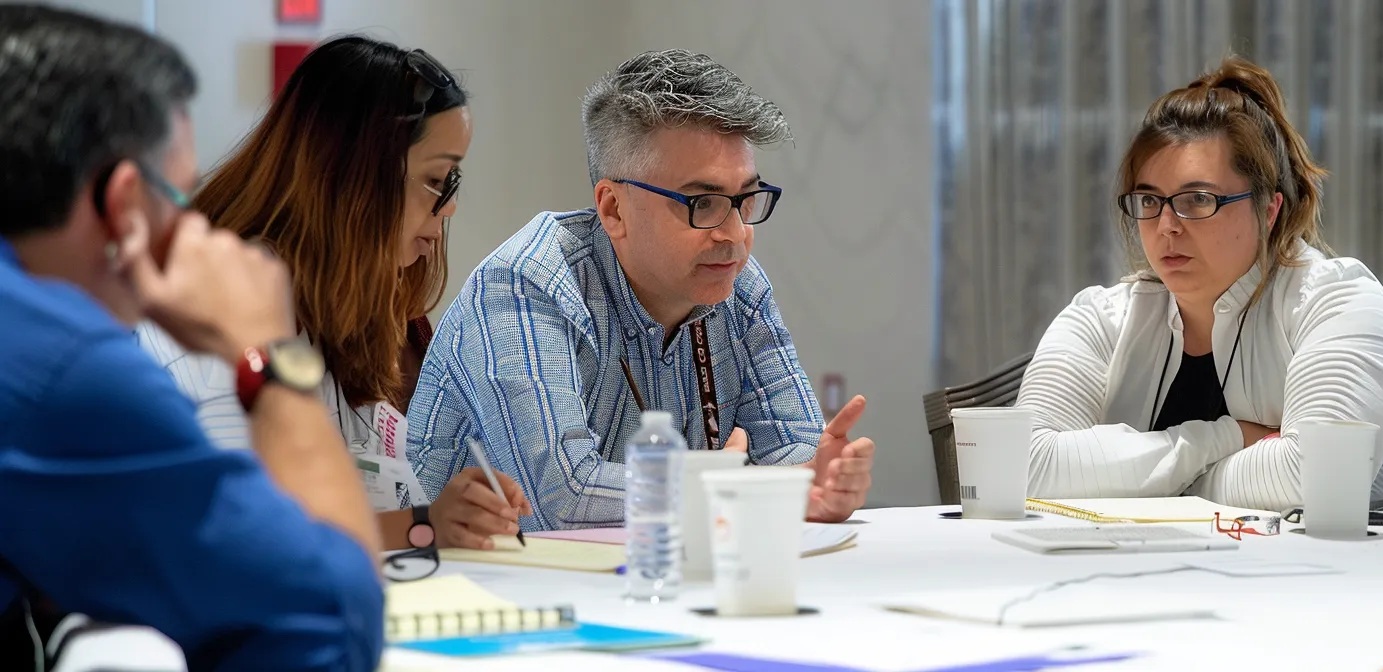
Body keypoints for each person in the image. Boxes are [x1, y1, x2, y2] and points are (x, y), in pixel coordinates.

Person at [0, 5, 382, 669]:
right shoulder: (63, 363)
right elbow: (331, 624)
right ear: (123, 204)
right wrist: (267, 351)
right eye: (181, 200)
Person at [408, 49, 875, 529]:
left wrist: (819, 481)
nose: (734, 234)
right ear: (613, 209)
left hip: (652, 583)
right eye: (703, 202)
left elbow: (796, 454)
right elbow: (562, 497)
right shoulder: (524, 284)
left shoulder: (739, 286)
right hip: (472, 589)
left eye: (745, 199)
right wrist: (731, 489)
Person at [136, 35, 527, 551]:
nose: (448, 208)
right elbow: (249, 538)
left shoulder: (334, 312)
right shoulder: (225, 314)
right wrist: (424, 524)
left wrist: (434, 520)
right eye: (438, 180)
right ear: (359, 174)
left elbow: (342, 509)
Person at [1015, 57, 1383, 510]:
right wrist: (1226, 437)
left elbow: (1321, 478)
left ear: (1269, 208)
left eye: (1198, 199)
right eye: (1149, 200)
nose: (1166, 226)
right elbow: (1024, 467)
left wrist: (1138, 482)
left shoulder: (1337, 299)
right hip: (1136, 576)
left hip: (1327, 575)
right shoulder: (1101, 318)